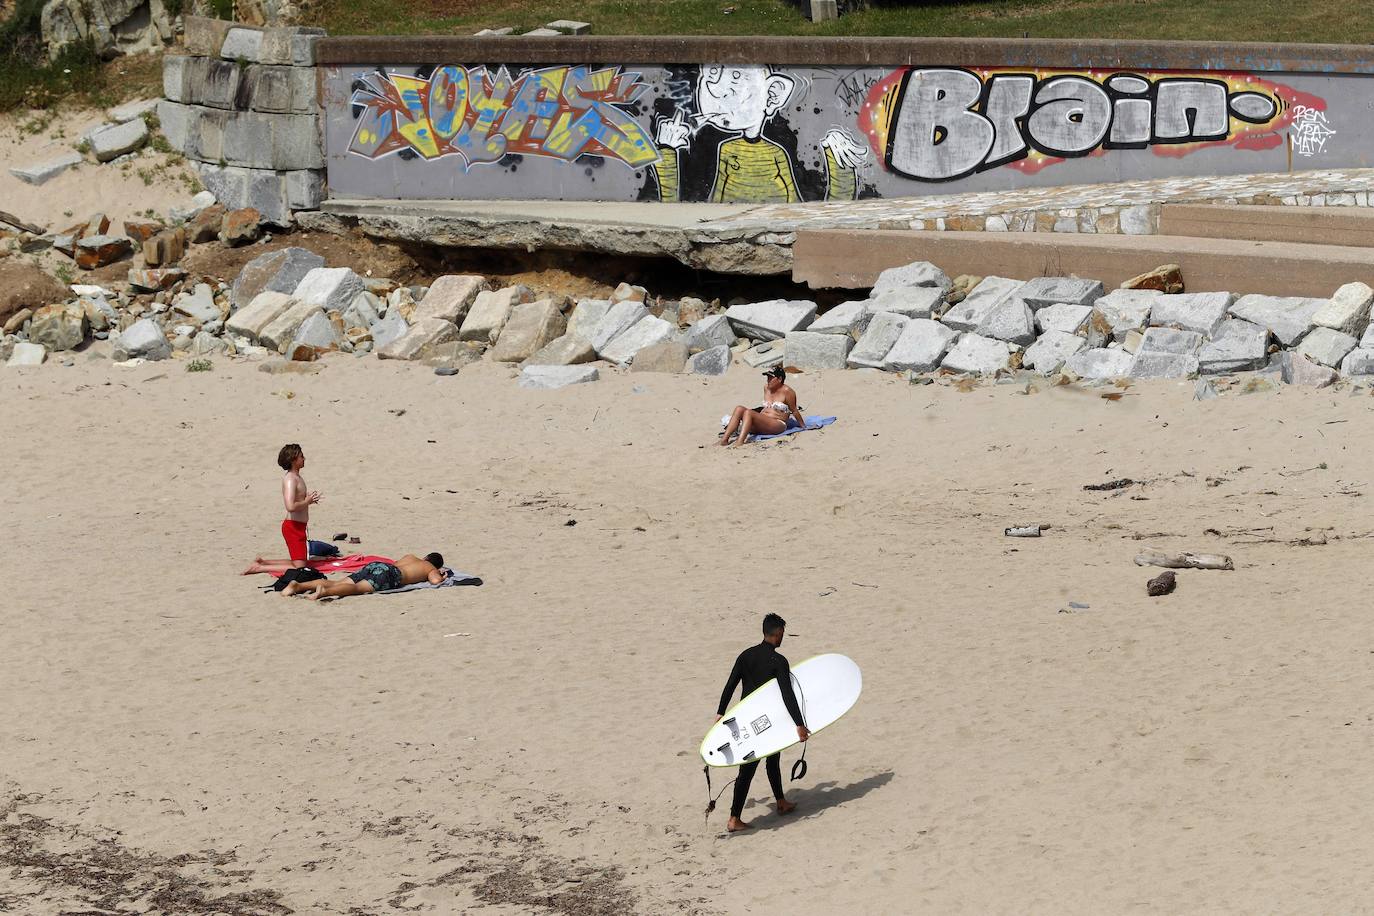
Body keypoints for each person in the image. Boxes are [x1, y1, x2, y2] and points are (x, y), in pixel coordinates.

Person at [715, 613, 809, 832]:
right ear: (778, 633)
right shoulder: (779, 661)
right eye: (782, 633)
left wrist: (720, 712)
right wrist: (799, 723)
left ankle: (781, 802)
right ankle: (734, 819)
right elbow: (787, 694)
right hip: (768, 721)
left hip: (746, 719)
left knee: (770, 760)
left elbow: (730, 685)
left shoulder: (745, 655)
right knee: (751, 769)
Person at [282, 553, 447, 599]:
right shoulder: (430, 567)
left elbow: (396, 563)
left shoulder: (410, 556)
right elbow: (435, 581)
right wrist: (441, 576)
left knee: (336, 582)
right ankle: (324, 592)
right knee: (357, 588)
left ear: (425, 556)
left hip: (378, 565)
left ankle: (298, 586)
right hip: (390, 574)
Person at [719, 365, 806, 447]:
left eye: (771, 378)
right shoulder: (766, 388)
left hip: (777, 424)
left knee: (749, 412)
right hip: (762, 421)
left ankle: (740, 441)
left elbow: (794, 410)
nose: (768, 380)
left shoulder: (788, 391)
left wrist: (803, 426)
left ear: (779, 379)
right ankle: (724, 440)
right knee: (739, 408)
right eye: (768, 377)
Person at [278, 444, 321, 570]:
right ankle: (259, 567)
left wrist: (309, 500)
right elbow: (290, 506)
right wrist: (307, 501)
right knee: (300, 567)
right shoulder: (290, 479)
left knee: (300, 563)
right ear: (293, 460)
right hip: (293, 527)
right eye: (301, 456)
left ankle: (262, 563)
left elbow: (298, 501)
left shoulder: (297, 477)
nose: (304, 458)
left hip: (299, 526)